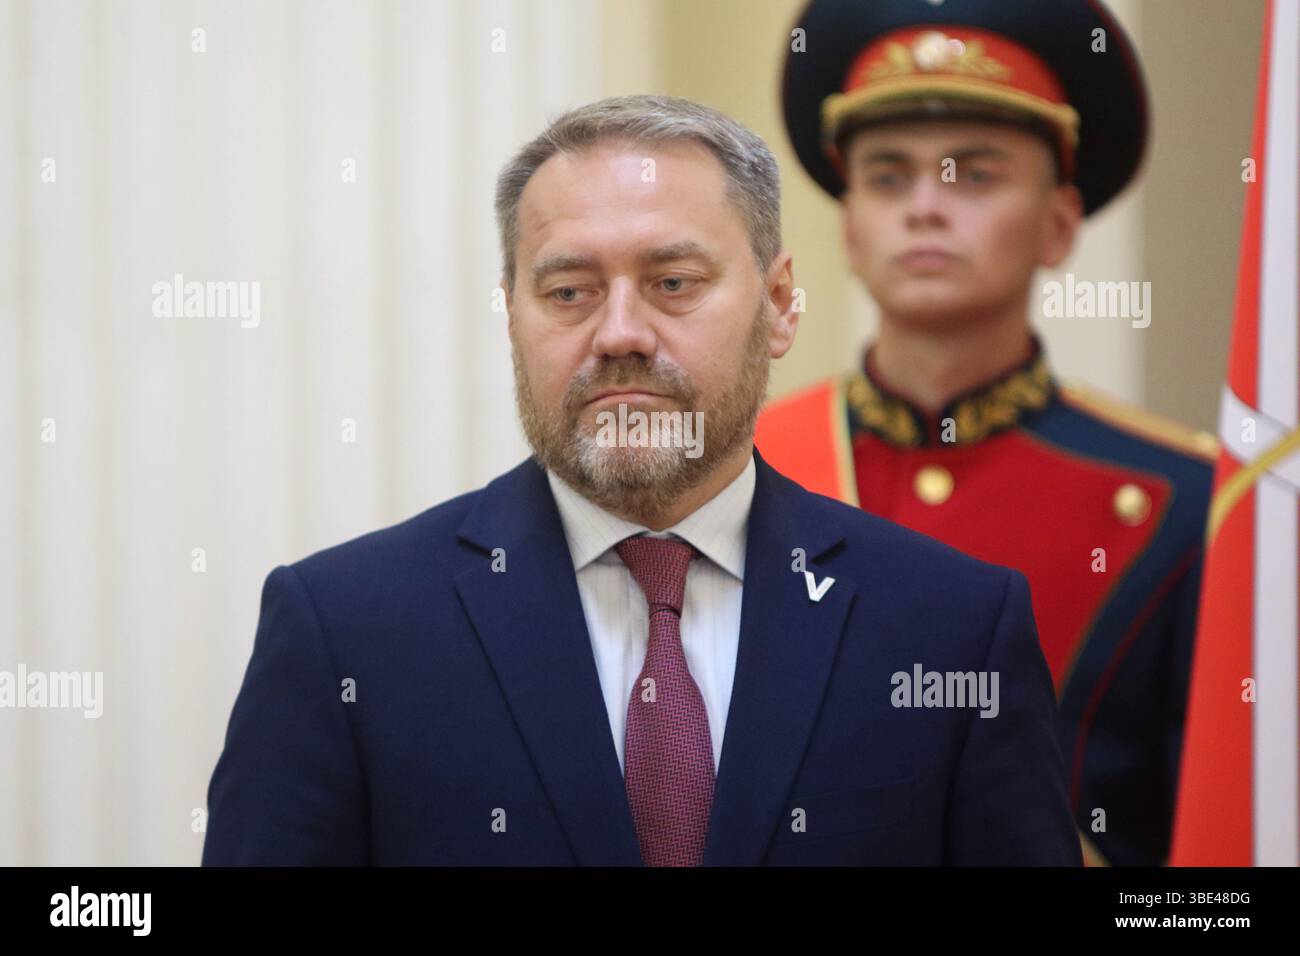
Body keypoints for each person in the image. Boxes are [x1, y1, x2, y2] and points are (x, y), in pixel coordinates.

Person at [202, 94, 1080, 866]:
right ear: (512, 315)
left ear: (778, 305)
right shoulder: (345, 632)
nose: (621, 332)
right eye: (570, 292)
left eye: (672, 282)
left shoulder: (952, 626)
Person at [757, 0, 1216, 866]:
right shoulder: (741, 469)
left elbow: (1216, 874)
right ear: (849, 225)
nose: (926, 206)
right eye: (888, 176)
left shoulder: (1185, 502)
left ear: (1059, 224)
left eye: (974, 175)